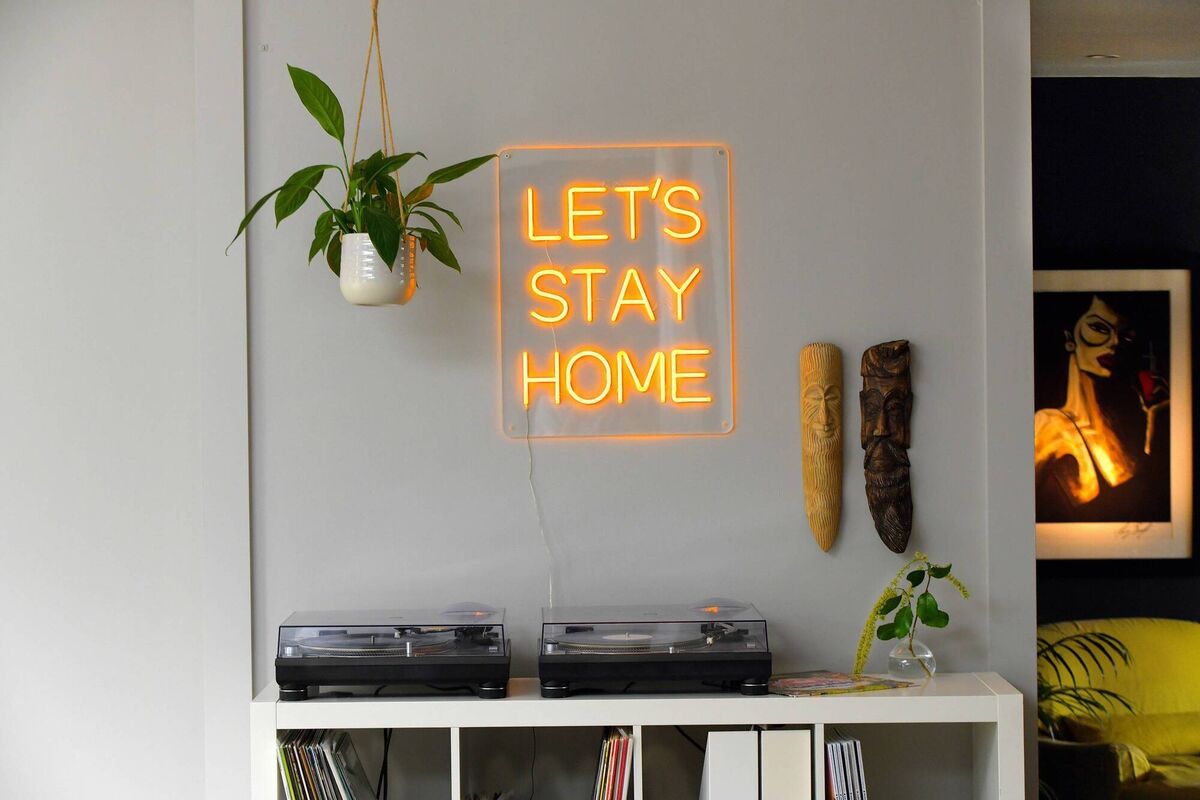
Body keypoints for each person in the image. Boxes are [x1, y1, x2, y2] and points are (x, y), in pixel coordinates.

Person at [1034, 294, 1168, 517]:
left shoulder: (1128, 426)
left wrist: (1155, 420)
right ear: (1070, 337)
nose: (1114, 342)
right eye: (1099, 327)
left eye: (1124, 336)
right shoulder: (1047, 425)